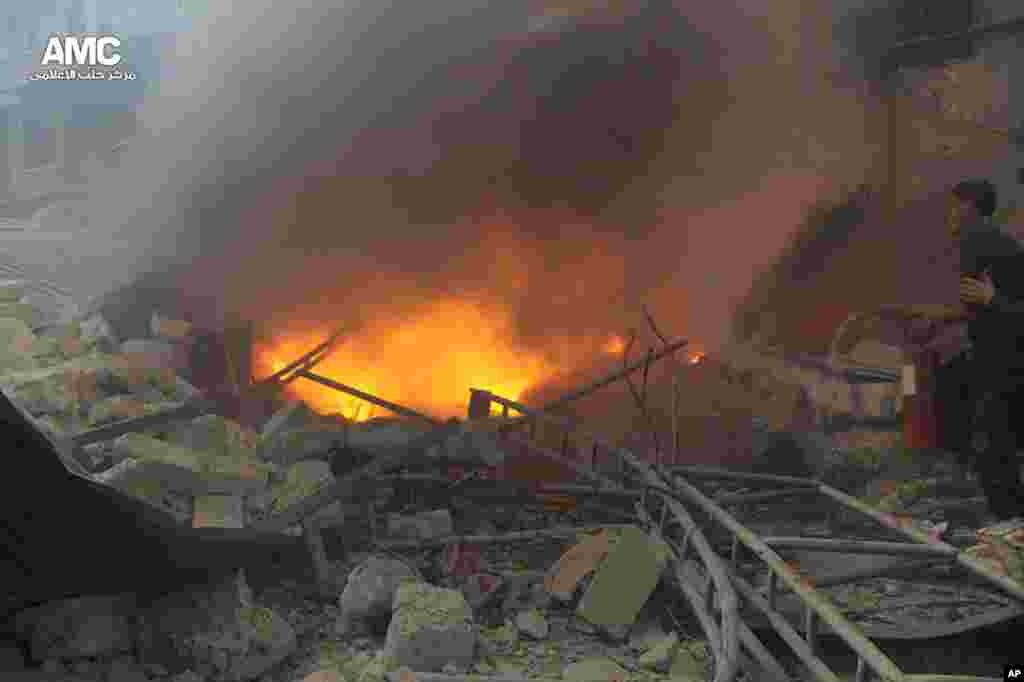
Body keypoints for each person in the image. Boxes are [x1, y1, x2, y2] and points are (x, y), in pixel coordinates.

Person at [891, 179, 1024, 521]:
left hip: (1009, 363)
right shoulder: (979, 244)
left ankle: (1011, 522)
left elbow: (995, 304)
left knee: (992, 445)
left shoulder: (991, 244)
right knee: (983, 439)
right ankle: (1005, 516)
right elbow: (974, 307)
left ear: (967, 207)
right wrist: (938, 317)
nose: (947, 216)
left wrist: (991, 299)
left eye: (952, 207)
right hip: (991, 360)